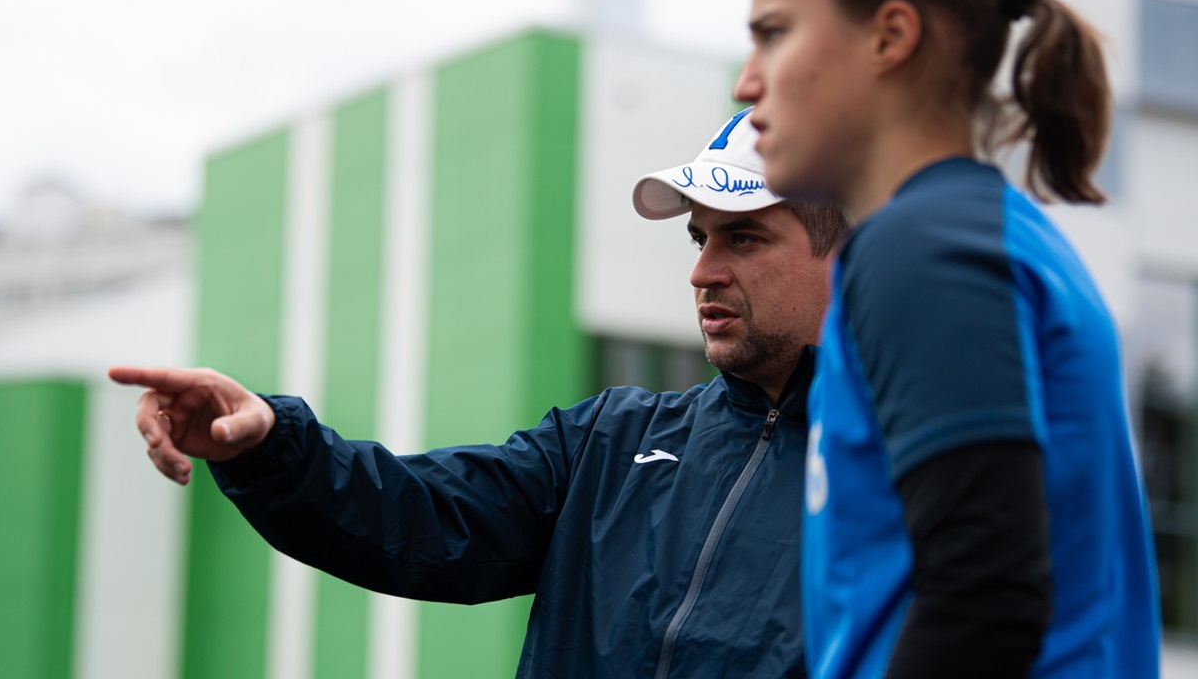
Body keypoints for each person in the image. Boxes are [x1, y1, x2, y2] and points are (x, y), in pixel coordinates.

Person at [111, 110, 848, 678]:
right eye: (699, 239)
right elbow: (416, 519)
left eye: (743, 239)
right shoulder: (611, 440)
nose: (702, 272)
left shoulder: (904, 471)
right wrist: (270, 443)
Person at [732, 0, 1161, 677]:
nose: (746, 80)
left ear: (889, 35)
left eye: (774, 32)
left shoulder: (923, 249)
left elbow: (985, 592)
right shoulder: (981, 235)